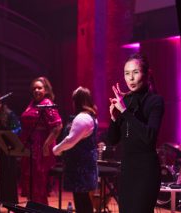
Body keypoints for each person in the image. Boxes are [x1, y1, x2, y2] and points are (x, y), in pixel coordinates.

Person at [107, 53, 164, 213]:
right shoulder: (126, 101)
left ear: (146, 74)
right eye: (127, 73)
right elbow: (112, 140)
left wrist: (124, 112)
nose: (130, 78)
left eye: (135, 72)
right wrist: (113, 118)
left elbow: (149, 137)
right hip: (127, 171)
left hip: (146, 172)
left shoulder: (155, 101)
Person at [53, 86, 98, 213]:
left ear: (76, 102)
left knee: (81, 201)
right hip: (84, 165)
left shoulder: (82, 118)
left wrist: (56, 149)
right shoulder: (90, 116)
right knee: (82, 200)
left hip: (80, 167)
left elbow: (70, 140)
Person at [19, 76, 63, 205]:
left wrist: (46, 145)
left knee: (39, 184)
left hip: (40, 148)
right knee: (29, 182)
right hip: (29, 147)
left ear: (46, 90)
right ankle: (32, 207)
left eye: (39, 88)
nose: (36, 90)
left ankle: (40, 209)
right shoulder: (32, 103)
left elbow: (58, 126)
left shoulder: (47, 103)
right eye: (34, 88)